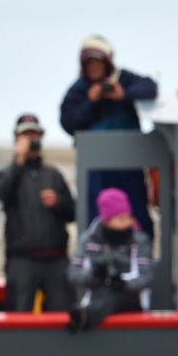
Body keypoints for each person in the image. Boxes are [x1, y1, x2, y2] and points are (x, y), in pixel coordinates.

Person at [59, 34, 158, 240]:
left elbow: (151, 88)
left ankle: (140, 259)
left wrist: (124, 94)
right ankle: (94, 262)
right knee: (94, 217)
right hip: (95, 170)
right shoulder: (78, 91)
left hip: (129, 165)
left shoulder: (123, 80)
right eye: (89, 64)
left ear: (107, 63)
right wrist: (90, 101)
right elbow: (68, 122)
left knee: (135, 215)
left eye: (98, 62)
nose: (94, 68)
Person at [0, 113, 76, 312]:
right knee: (19, 318)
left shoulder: (53, 174)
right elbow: (2, 193)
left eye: (35, 135)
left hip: (56, 260)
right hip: (22, 261)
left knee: (62, 315)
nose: (31, 140)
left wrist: (59, 202)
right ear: (16, 140)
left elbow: (73, 212)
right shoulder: (5, 174)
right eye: (26, 136)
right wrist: (18, 161)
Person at [66, 187, 154, 332]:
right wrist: (94, 276)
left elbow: (146, 276)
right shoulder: (87, 240)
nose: (128, 223)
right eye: (121, 218)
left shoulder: (140, 240)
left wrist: (122, 283)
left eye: (129, 217)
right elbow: (73, 274)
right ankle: (85, 315)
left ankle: (85, 317)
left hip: (132, 300)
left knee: (113, 294)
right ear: (106, 220)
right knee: (105, 293)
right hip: (96, 297)